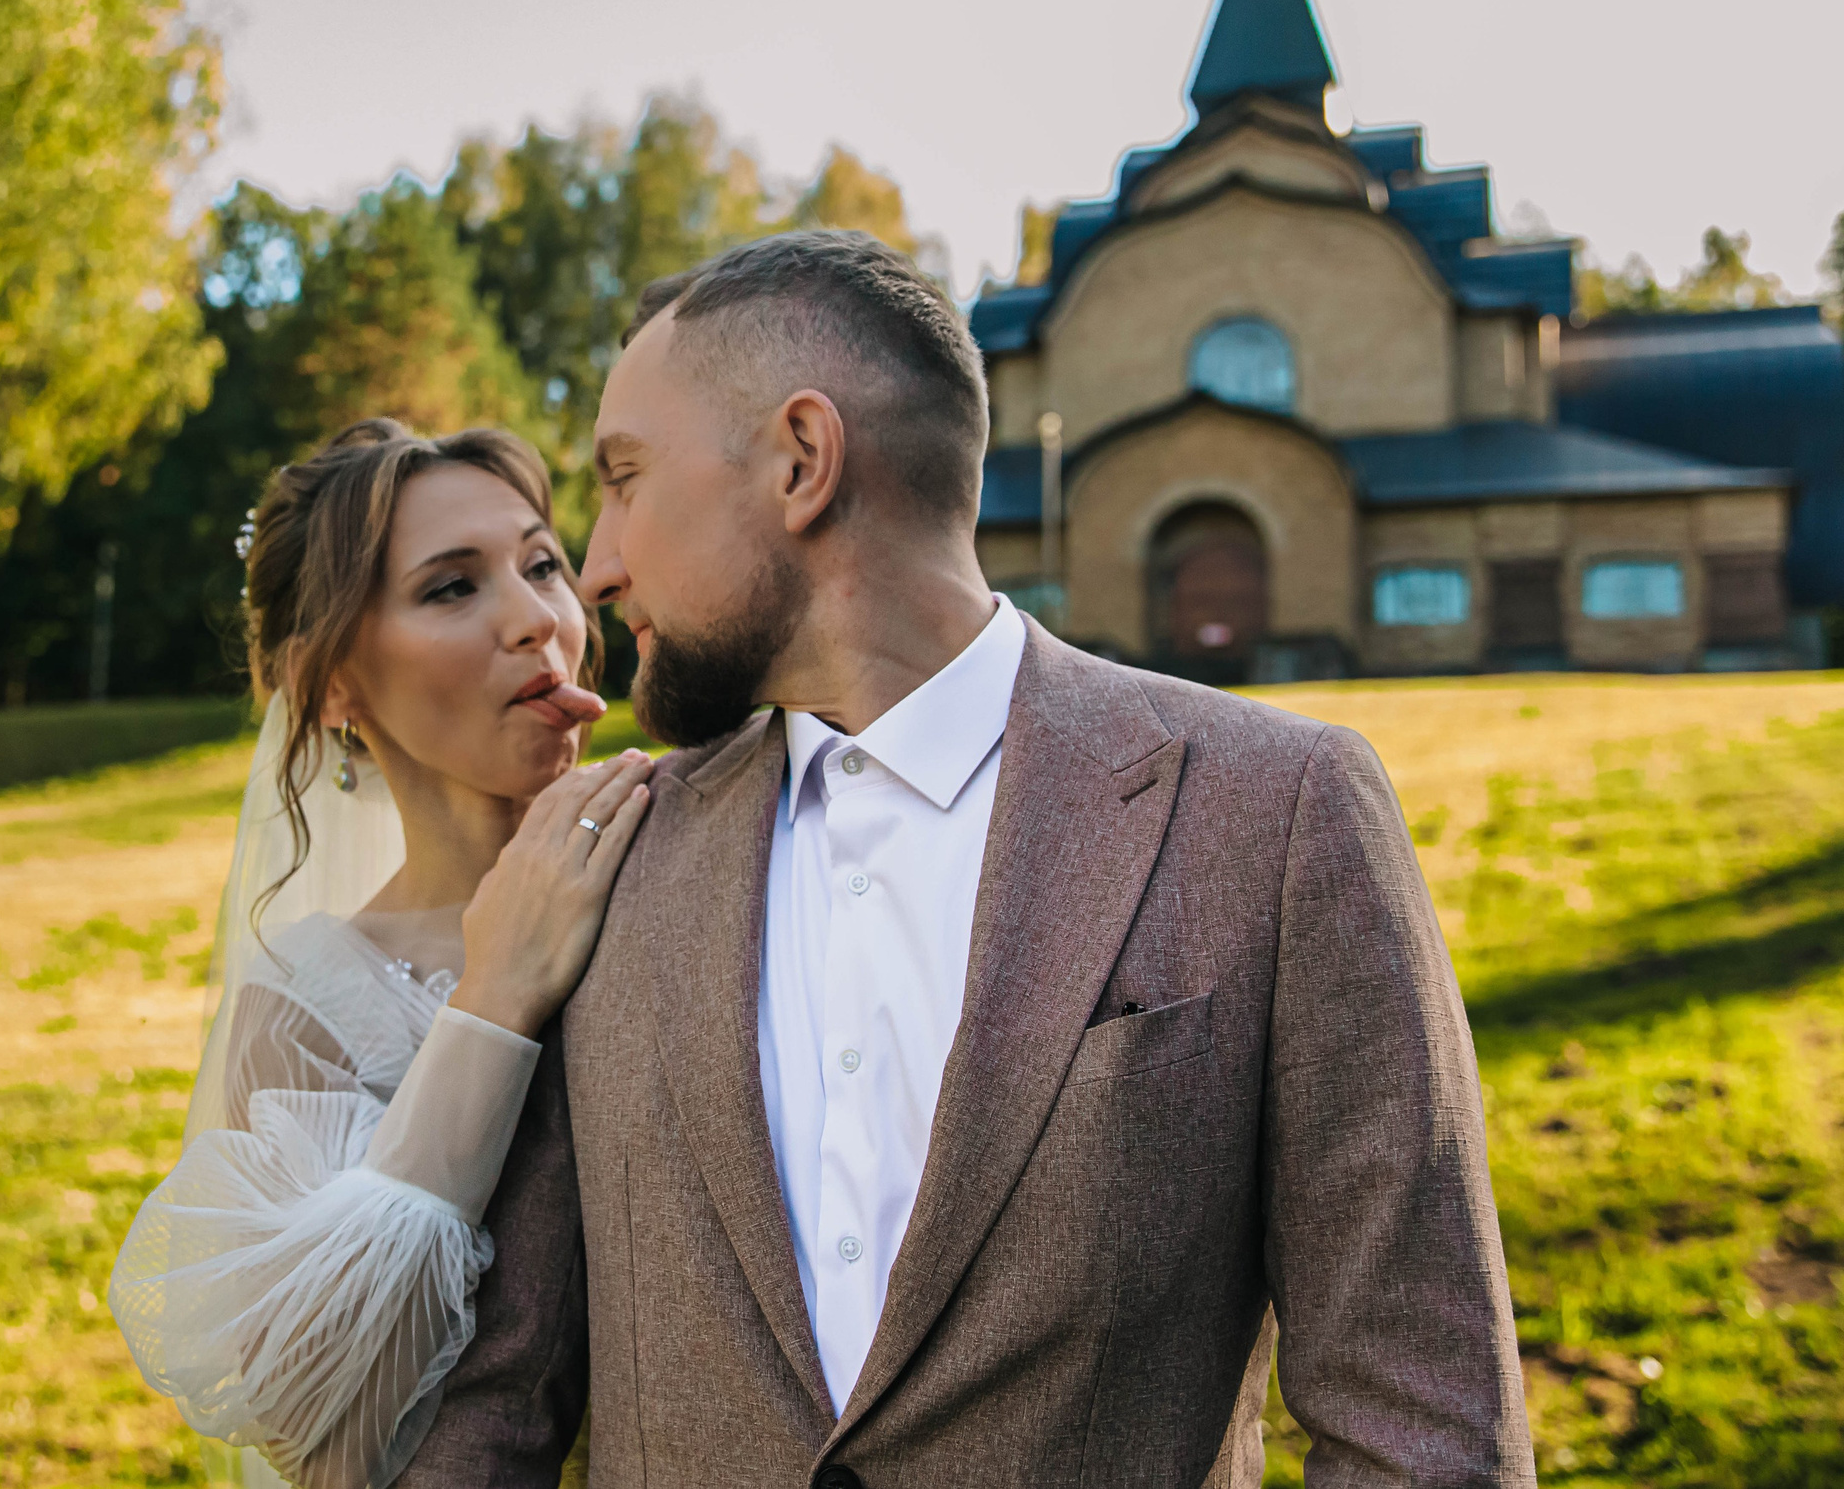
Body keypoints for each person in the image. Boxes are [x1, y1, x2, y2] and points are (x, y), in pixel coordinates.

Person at [399, 230, 1535, 1488]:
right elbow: (496, 1406)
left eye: (623, 478)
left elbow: (1422, 1433)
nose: (597, 565)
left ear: (800, 459)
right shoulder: (604, 859)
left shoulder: (1277, 813)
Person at [107, 420, 650, 1489]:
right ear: (334, 686)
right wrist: (493, 998)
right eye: (453, 588)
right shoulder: (309, 1008)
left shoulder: (692, 862)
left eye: (542, 564)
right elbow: (325, 1429)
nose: (536, 619)